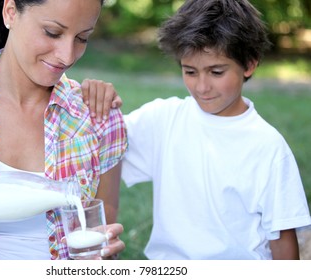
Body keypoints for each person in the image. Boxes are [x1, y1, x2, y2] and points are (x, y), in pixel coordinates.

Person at [85, 0, 311, 259]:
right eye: (190, 71)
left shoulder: (268, 146)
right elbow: (101, 143)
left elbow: (283, 240)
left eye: (216, 72)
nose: (201, 87)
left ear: (249, 64)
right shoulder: (163, 119)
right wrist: (98, 101)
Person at [0, 0, 127, 260]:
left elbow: (101, 228)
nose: (67, 55)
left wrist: (103, 254)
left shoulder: (98, 118)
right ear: (10, 12)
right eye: (52, 32)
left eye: (82, 38)